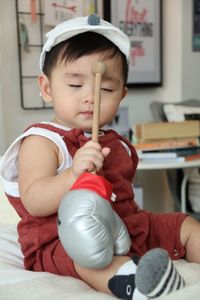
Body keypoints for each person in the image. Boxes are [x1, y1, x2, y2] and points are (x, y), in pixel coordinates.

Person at [1, 13, 200, 300]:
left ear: (121, 95)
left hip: (128, 227)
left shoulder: (114, 143)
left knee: (185, 225)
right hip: (63, 240)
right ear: (46, 88)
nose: (90, 97)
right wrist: (72, 175)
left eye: (105, 89)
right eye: (74, 85)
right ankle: (138, 284)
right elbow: (34, 200)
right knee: (89, 257)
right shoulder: (43, 140)